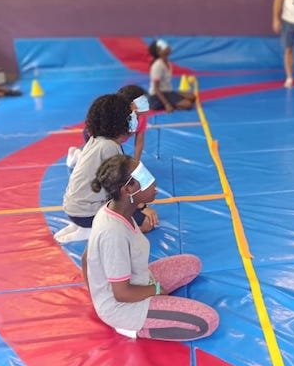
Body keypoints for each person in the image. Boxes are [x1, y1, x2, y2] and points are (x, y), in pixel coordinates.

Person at [82, 154, 219, 341]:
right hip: (124, 306)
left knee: (192, 264)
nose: (153, 182)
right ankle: (135, 329)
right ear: (127, 190)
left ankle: (149, 300)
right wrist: (155, 290)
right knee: (206, 321)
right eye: (144, 178)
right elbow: (122, 294)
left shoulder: (114, 209)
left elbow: (86, 257)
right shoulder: (113, 233)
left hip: (138, 281)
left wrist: (97, 293)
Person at [56, 93, 158, 243]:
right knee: (146, 223)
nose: (135, 120)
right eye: (132, 116)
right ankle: (93, 230)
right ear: (121, 122)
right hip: (86, 214)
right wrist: (141, 207)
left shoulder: (97, 139)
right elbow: (120, 188)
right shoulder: (109, 148)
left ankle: (85, 226)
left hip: (74, 210)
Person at [148, 39, 195, 113]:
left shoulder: (167, 63)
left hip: (168, 92)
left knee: (192, 97)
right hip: (156, 97)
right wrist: (166, 104)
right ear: (159, 52)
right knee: (188, 104)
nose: (167, 47)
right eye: (164, 47)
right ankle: (171, 104)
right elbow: (156, 89)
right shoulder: (157, 66)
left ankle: (174, 102)